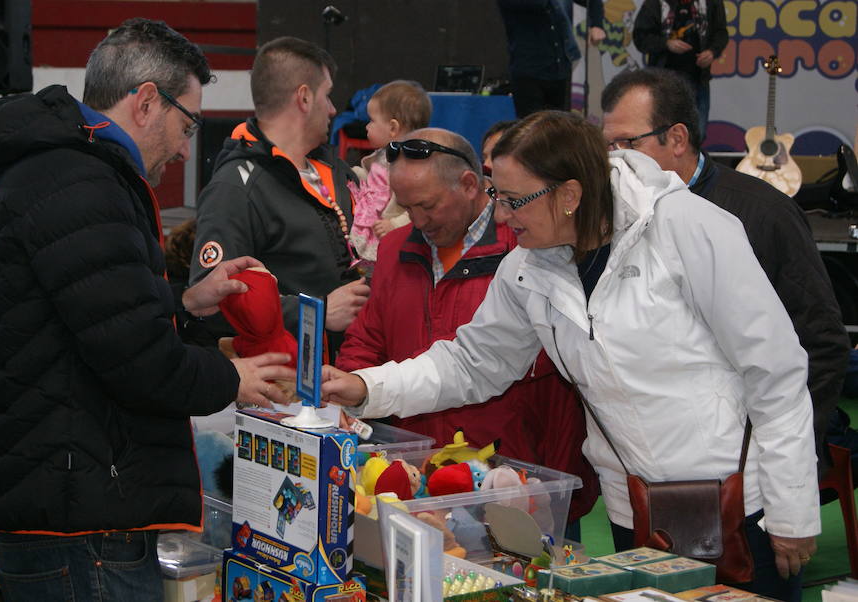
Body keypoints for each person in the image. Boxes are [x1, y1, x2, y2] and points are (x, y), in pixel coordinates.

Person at [322, 111, 819, 600]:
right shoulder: (527, 266)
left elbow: (775, 372)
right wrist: (369, 387)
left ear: (569, 196)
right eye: (498, 195)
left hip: (742, 504)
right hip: (635, 510)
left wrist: (791, 511)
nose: (501, 215)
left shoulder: (687, 227)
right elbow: (473, 362)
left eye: (514, 200)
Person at [0, 19, 296, 601]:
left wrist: (184, 303)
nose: (187, 147)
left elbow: (83, 317)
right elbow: (136, 360)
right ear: (145, 101)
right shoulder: (82, 181)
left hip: (61, 497)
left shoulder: (60, 170)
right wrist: (230, 377)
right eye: (187, 124)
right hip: (79, 515)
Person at [335, 128, 599, 534]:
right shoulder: (395, 250)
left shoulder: (531, 246)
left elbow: (547, 371)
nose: (418, 221)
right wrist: (352, 385)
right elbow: (369, 337)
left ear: (470, 184)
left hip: (516, 478)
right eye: (405, 207)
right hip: (423, 477)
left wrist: (556, 477)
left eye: (427, 205)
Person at [600, 68, 850, 479]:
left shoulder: (763, 213)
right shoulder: (611, 218)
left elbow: (821, 344)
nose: (614, 158)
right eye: (607, 144)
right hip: (645, 460)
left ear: (677, 139)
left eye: (627, 143)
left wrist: (778, 454)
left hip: (744, 460)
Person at [190, 36, 370, 356]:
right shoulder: (235, 188)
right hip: (286, 388)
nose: (332, 110)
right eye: (327, 96)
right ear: (303, 97)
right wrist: (316, 311)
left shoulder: (335, 169)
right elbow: (211, 303)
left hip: (352, 371)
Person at [348, 80, 432, 270]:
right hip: (373, 231)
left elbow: (422, 206)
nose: (367, 127)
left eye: (372, 120)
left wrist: (396, 224)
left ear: (393, 128)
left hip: (395, 239)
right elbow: (374, 183)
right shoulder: (382, 156)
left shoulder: (413, 165)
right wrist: (354, 175)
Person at [632, 0, 727, 136]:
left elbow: (721, 33)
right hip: (662, 82)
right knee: (660, 134)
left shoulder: (711, 3)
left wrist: (712, 51)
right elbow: (640, 37)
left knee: (696, 134)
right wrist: (666, 44)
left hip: (698, 79)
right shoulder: (654, 3)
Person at [498, 0, 606, 117]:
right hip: (528, 71)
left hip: (560, 68)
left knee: (559, 126)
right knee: (533, 129)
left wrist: (597, 24)